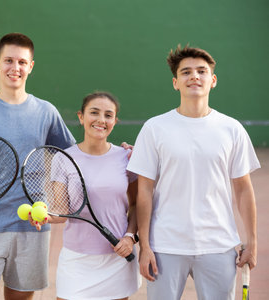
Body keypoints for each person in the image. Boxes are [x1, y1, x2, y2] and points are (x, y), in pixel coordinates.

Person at [127, 45, 260, 300]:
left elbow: (243, 189)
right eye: (186, 72)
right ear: (176, 83)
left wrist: (251, 241)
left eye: (202, 71)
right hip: (165, 245)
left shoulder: (232, 129)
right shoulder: (155, 128)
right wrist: (145, 245)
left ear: (213, 80)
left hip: (218, 245)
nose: (194, 77)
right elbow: (144, 190)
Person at [0, 32, 75, 300]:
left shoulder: (46, 112)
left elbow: (74, 158)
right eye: (8, 60)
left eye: (21, 62)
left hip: (33, 227)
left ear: (31, 66)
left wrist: (117, 152)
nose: (14, 68)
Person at [32, 91, 141, 300]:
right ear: (81, 117)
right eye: (94, 113)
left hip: (117, 257)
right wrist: (45, 216)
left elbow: (136, 204)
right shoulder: (63, 159)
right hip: (76, 260)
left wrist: (129, 238)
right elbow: (63, 212)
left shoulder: (126, 157)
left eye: (108, 115)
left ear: (115, 121)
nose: (101, 120)